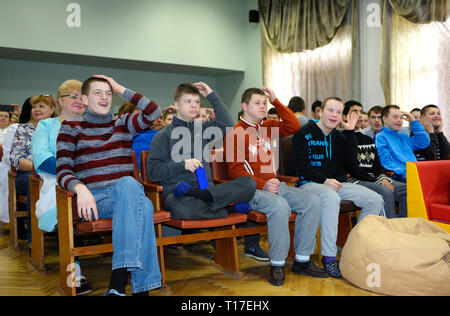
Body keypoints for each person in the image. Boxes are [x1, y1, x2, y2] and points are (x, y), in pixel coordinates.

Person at [56, 75, 162, 296]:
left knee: (133, 191)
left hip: (127, 195)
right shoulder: (71, 127)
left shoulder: (122, 123)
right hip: (95, 200)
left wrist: (120, 88)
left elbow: (154, 112)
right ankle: (130, 284)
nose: (104, 97)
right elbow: (63, 169)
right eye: (97, 93)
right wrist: (80, 188)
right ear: (84, 100)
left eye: (107, 93)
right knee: (142, 203)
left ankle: (119, 284)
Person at [224, 87, 327, 286]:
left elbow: (294, 125)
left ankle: (302, 261)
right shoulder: (234, 134)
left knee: (313, 201)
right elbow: (236, 172)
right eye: (258, 103)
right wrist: (263, 185)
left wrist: (276, 101)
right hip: (249, 189)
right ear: (244, 106)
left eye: (264, 103)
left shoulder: (267, 127)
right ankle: (277, 264)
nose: (263, 106)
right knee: (280, 206)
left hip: (274, 185)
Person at [291, 97, 384, 278]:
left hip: (336, 183)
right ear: (320, 112)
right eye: (330, 110)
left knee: (374, 199)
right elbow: (298, 165)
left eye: (338, 112)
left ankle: (354, 248)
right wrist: (323, 179)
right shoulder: (303, 134)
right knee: (331, 197)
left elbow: (350, 162)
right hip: (308, 183)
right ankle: (329, 256)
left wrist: (349, 132)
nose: (334, 115)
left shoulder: (340, 136)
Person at [147, 82, 256, 220]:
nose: (194, 105)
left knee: (249, 184)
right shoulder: (163, 135)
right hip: (179, 194)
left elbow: (227, 124)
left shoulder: (203, 130)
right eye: (188, 101)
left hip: (207, 190)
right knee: (182, 210)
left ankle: (205, 198)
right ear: (176, 105)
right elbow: (154, 171)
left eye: (197, 102)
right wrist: (183, 165)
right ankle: (228, 209)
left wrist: (211, 95)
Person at [31, 79, 93, 295]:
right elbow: (42, 159)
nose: (79, 101)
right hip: (58, 180)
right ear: (60, 101)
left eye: (82, 97)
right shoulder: (46, 126)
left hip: (93, 180)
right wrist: (73, 176)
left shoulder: (92, 124)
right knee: (68, 201)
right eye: (73, 96)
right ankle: (73, 271)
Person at [343, 101, 407, 218]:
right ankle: (389, 228)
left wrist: (382, 178)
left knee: (406, 189)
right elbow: (351, 167)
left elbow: (377, 165)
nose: (360, 115)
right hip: (354, 180)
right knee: (385, 191)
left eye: (361, 112)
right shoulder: (341, 137)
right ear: (344, 116)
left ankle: (402, 225)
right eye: (354, 112)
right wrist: (375, 180)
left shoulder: (367, 139)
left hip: (372, 178)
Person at [10, 95, 56, 241]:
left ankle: (69, 236)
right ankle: (34, 241)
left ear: (52, 109)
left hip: (54, 172)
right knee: (35, 183)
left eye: (41, 106)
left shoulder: (59, 127)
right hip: (28, 173)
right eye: (34, 107)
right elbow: (16, 158)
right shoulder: (24, 128)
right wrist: (38, 168)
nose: (36, 109)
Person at [375, 105, 430, 182]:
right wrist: (405, 173)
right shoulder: (380, 137)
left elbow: (424, 142)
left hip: (415, 173)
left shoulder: (404, 136)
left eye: (401, 118)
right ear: (384, 119)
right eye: (395, 117)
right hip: (401, 177)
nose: (399, 120)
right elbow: (385, 162)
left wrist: (413, 121)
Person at [0, 98, 32, 224]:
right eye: (0, 116)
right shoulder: (16, 129)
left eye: (5, 116)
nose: (3, 118)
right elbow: (9, 157)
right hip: (11, 166)